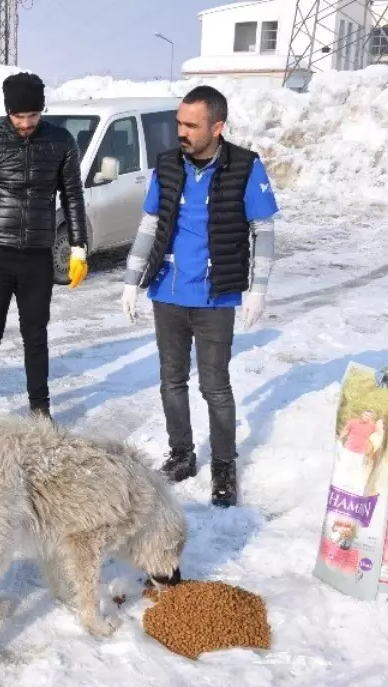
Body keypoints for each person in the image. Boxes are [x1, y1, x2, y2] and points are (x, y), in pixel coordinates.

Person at [119, 85, 279, 508]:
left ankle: (224, 464)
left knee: (215, 387)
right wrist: (131, 281)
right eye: (178, 123)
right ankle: (182, 454)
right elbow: (150, 226)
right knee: (171, 380)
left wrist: (257, 290)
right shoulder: (168, 165)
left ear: (217, 126)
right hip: (168, 293)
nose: (182, 133)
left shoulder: (245, 167)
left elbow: (263, 231)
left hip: (216, 299)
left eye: (191, 125)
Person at [0, 72, 89, 422]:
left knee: (35, 336)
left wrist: (78, 246)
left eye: (33, 116)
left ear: (42, 110)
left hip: (38, 256)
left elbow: (72, 195)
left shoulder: (61, 142)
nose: (26, 124)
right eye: (18, 116)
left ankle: (40, 408)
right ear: (8, 111)